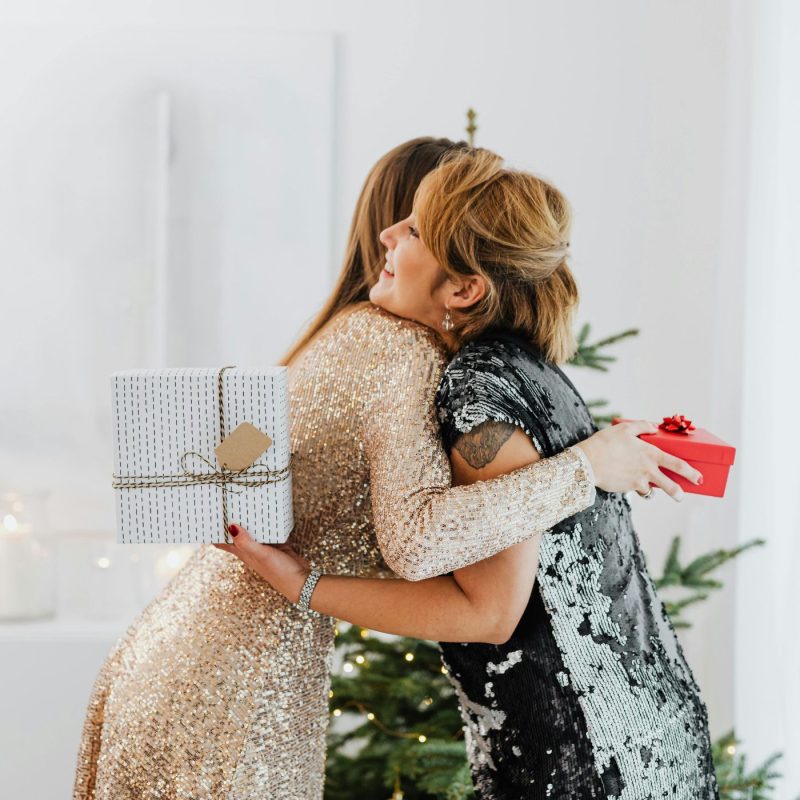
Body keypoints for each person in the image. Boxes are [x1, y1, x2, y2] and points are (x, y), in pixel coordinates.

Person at [73, 138, 697, 800]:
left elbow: (237, 457)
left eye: (414, 228)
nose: (387, 236)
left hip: (172, 657)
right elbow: (424, 542)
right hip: (227, 688)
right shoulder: (399, 352)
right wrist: (584, 467)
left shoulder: (345, 332)